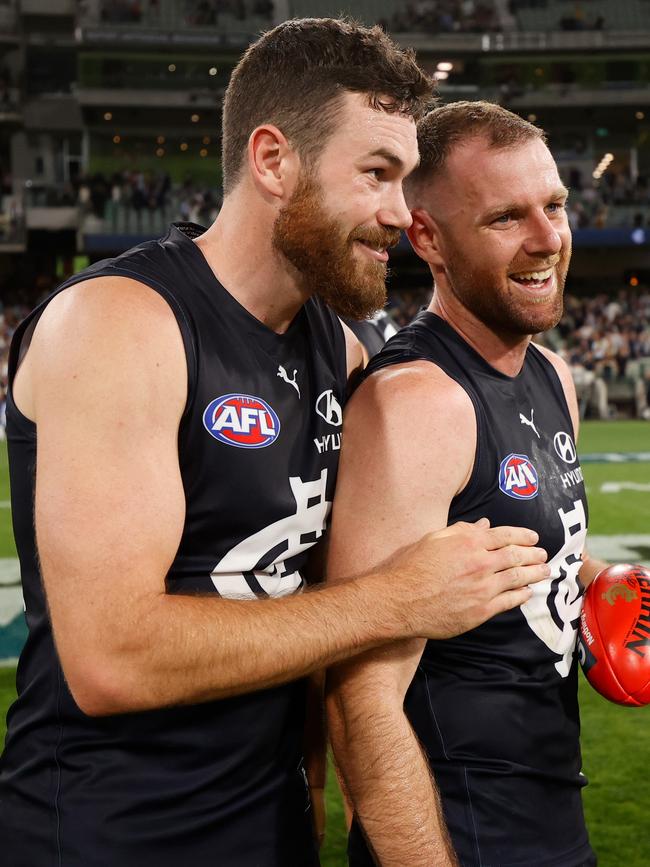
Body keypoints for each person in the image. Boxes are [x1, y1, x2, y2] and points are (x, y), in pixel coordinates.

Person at [0, 26, 548, 867]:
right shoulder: (118, 323)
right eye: (377, 174)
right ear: (272, 160)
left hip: (273, 829)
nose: (401, 215)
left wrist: (316, 782)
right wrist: (395, 598)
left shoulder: (344, 349)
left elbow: (318, 596)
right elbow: (110, 658)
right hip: (105, 837)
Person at [326, 101, 607, 867]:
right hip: (462, 836)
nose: (549, 238)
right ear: (427, 238)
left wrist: (603, 584)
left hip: (553, 817)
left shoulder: (550, 373)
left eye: (554, 205)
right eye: (505, 218)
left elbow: (528, 548)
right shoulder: (416, 402)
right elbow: (359, 693)